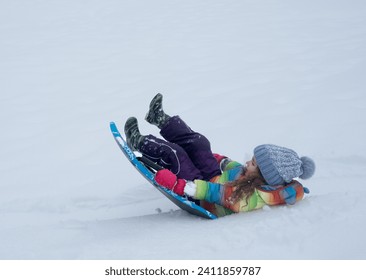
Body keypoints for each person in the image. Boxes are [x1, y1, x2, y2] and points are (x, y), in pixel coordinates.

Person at [125, 93, 316, 217]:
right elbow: (235, 169)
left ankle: (139, 142)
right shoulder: (254, 176)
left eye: (254, 163)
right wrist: (215, 158)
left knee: (177, 154)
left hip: (201, 193)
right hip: (213, 177)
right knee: (200, 143)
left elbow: (217, 193)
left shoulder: (251, 197)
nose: (248, 162)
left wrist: (177, 185)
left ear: (263, 175)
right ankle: (159, 119)